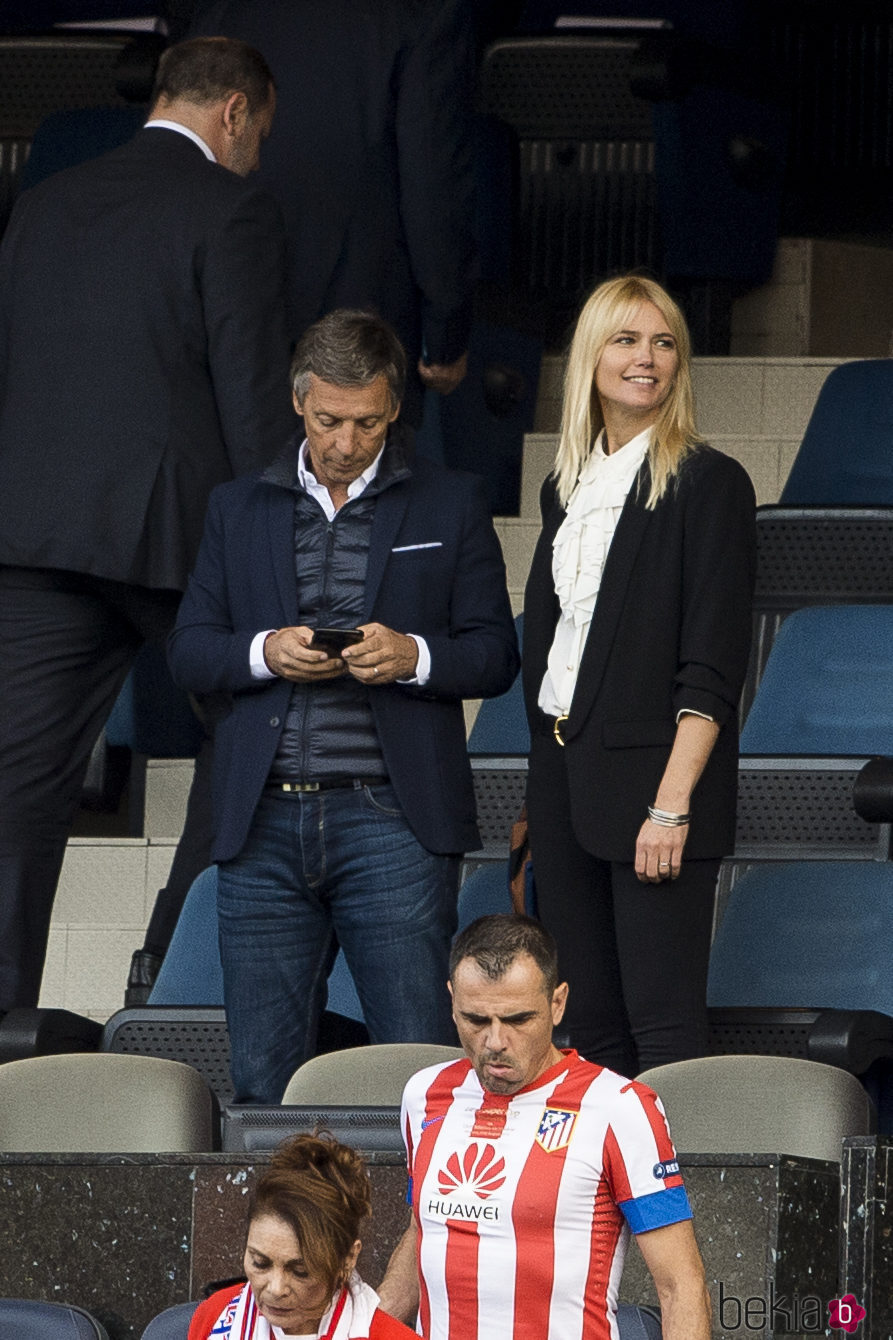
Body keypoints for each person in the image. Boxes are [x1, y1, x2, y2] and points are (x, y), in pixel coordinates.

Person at [0, 37, 294, 1014]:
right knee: (259, 723)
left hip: (35, 532)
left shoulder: (40, 207)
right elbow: (254, 400)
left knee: (19, 788)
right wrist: (279, 552)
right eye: (261, 132)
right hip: (177, 531)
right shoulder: (233, 206)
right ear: (236, 114)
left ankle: (4, 1016)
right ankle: (169, 973)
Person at [167, 309, 520, 1104]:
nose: (345, 442)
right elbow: (188, 649)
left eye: (365, 422)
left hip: (391, 818)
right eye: (328, 420)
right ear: (299, 402)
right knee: (262, 1078)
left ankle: (419, 1229)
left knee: (418, 1070)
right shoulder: (237, 506)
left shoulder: (449, 502)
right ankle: (286, 1232)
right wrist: (265, 651)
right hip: (260, 822)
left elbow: (495, 653)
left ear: (394, 408)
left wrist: (411, 656)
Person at [520, 274, 756, 1076]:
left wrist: (670, 804)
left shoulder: (707, 482)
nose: (646, 359)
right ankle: (611, 1203)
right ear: (590, 357)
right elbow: (556, 654)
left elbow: (712, 665)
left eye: (662, 343)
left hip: (655, 790)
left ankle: (668, 1203)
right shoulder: (566, 486)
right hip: (564, 777)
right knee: (588, 1024)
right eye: (625, 340)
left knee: (661, 1026)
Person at [378, 913, 712, 1340]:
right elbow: (423, 1231)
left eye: (518, 1020)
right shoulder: (424, 1093)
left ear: (557, 1004)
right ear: (451, 1001)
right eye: (476, 1020)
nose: (495, 1041)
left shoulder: (620, 1107)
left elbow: (680, 1287)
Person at [187, 0, 476, 424]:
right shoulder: (422, 11)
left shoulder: (224, 9)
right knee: (360, 480)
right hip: (363, 313)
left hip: (233, 302)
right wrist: (446, 337)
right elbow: (432, 179)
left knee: (243, 483)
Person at [188, 1132, 418, 1340]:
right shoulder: (216, 1316)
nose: (276, 1289)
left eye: (301, 1271)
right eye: (260, 1263)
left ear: (348, 1257)